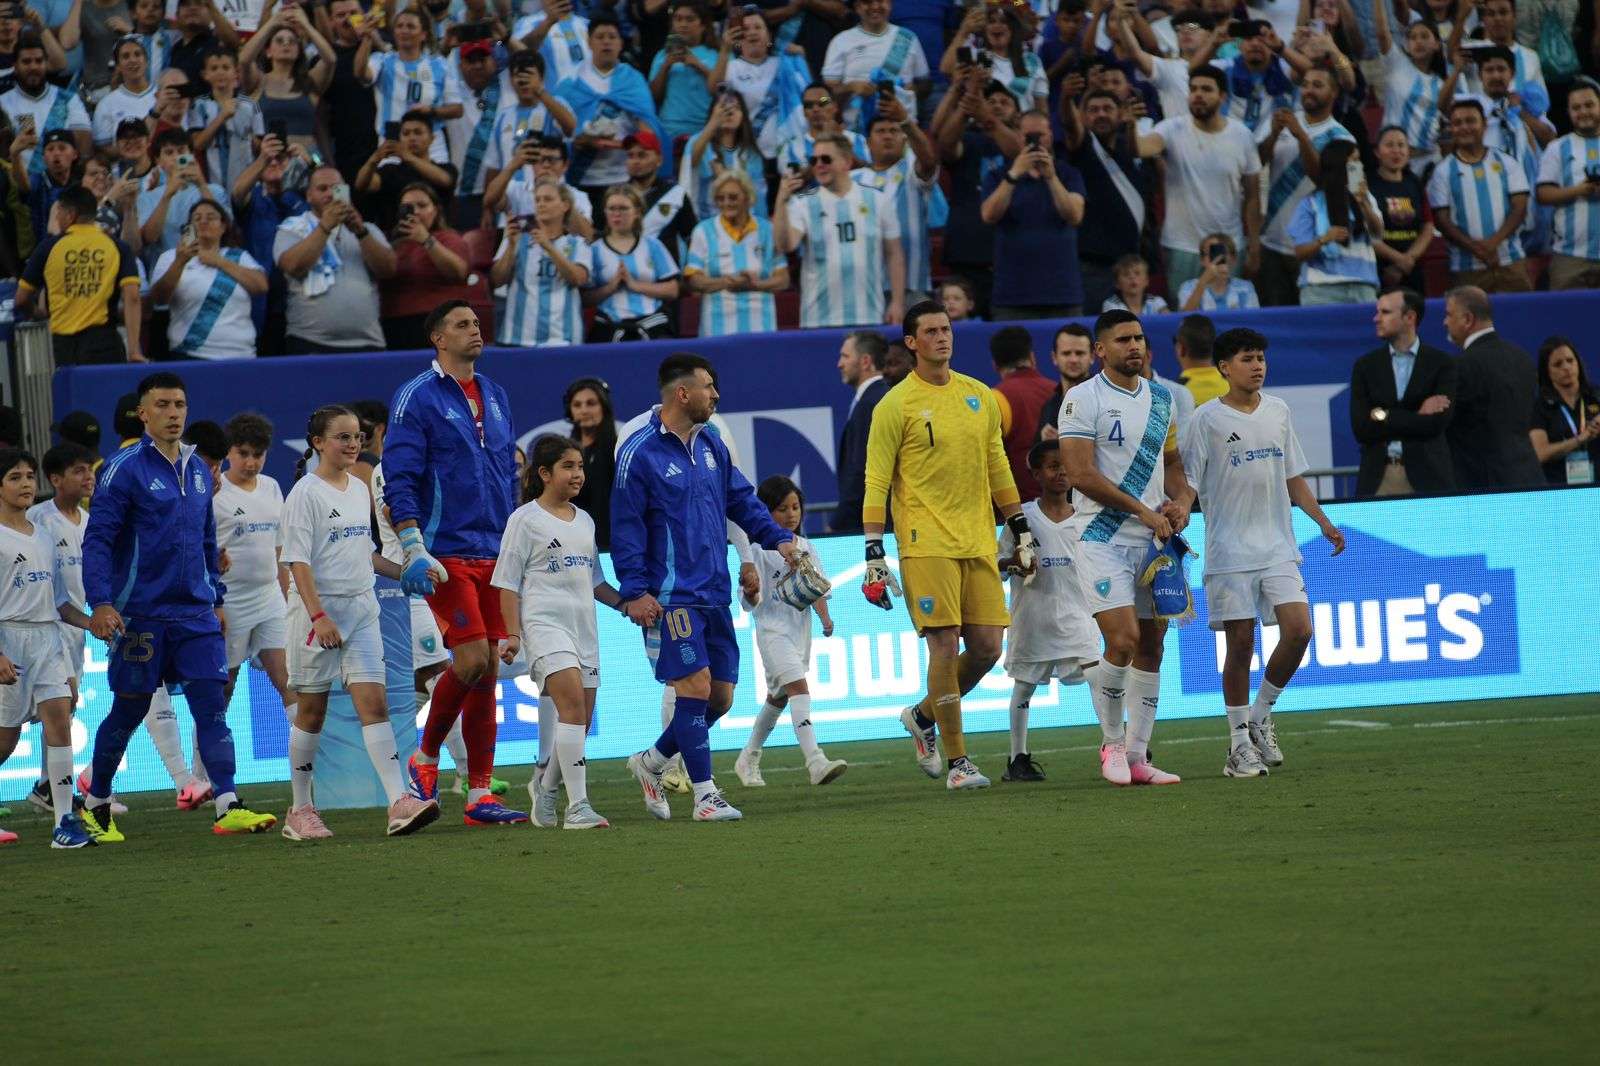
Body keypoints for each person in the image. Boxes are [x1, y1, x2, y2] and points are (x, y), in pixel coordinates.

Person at [79, 372, 277, 843]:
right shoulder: (123, 468)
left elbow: (208, 539)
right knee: (128, 711)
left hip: (195, 613)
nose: (173, 413)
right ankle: (95, 803)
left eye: (180, 405)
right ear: (143, 413)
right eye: (163, 405)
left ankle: (228, 803)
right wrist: (102, 602)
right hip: (141, 615)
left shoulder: (196, 471)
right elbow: (99, 541)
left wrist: (217, 597)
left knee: (212, 708)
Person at [616, 353, 800, 822]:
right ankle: (705, 794)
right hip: (672, 594)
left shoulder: (712, 445)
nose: (716, 395)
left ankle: (652, 761)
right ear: (682, 393)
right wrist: (634, 590)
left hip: (713, 590)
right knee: (693, 686)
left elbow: (741, 500)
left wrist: (777, 539)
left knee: (719, 697)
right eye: (708, 387)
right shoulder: (639, 452)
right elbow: (627, 528)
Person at [864, 301, 1035, 791]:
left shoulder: (978, 396)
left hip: (978, 538)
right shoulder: (894, 405)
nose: (943, 337)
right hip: (923, 540)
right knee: (943, 644)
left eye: (947, 329)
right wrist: (874, 550)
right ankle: (960, 763)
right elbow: (876, 480)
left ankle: (922, 716)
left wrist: (1020, 527)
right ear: (912, 343)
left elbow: (997, 466)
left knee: (985, 648)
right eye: (931, 332)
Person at [1184, 327, 1345, 779]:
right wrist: (1177, 508)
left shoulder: (1278, 410)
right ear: (1223, 367)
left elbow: (1293, 476)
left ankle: (1260, 714)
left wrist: (1323, 521)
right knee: (1240, 644)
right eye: (1247, 358)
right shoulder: (1206, 419)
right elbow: (1190, 480)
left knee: (1299, 630)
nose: (1257, 365)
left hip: (1278, 545)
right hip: (1228, 550)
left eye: (1261, 358)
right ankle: (1238, 746)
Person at [390, 301, 527, 826]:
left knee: (489, 671)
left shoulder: (495, 395)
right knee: (469, 663)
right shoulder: (415, 398)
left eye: (477, 323)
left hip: (494, 550)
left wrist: (515, 542)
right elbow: (400, 477)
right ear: (437, 338)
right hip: (445, 550)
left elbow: (503, 475)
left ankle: (479, 796)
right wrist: (413, 545)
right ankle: (424, 761)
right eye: (462, 325)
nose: (476, 331)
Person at [279, 405, 440, 840]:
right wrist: (318, 615)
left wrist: (403, 572)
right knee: (312, 712)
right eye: (342, 438)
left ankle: (397, 802)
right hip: (318, 615)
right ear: (317, 443)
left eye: (356, 437)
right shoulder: (305, 494)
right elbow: (297, 562)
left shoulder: (358, 488)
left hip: (362, 611)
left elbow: (363, 553)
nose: (352, 445)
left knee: (376, 703)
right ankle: (300, 809)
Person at [1057, 309, 1196, 787]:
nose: (1134, 346)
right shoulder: (1082, 399)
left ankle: (1138, 755)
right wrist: (1143, 510)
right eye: (1123, 340)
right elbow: (1079, 474)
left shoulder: (1162, 399)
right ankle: (1111, 742)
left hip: (1153, 539)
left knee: (1153, 646)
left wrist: (1181, 502)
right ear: (1101, 350)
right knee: (1122, 640)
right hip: (1100, 535)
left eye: (1139, 338)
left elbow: (1175, 465)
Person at [492, 435, 622, 830]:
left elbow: (595, 580)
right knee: (571, 710)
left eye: (580, 466)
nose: (578, 474)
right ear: (544, 473)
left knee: (579, 722)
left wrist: (628, 605)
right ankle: (578, 807)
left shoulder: (585, 520)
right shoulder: (525, 520)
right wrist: (513, 635)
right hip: (545, 627)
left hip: (585, 629)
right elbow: (507, 582)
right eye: (568, 466)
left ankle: (546, 790)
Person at [0, 448, 93, 848]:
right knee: (6, 740)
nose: (25, 484)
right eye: (15, 477)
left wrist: (92, 623)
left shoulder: (42, 534)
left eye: (28, 476)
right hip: (9, 639)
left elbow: (59, 600)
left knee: (59, 721)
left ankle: (63, 822)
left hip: (49, 639)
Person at [732, 475, 848, 788]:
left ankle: (748, 756)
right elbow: (750, 600)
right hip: (772, 632)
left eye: (795, 507)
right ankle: (815, 761)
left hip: (800, 633)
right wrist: (752, 589)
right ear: (765, 513)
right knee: (799, 689)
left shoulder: (806, 547)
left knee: (778, 698)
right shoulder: (756, 550)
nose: (791, 514)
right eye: (782, 508)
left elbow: (818, 589)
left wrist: (825, 617)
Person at [993, 439, 1096, 784]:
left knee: (1099, 676)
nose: (1062, 472)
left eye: (1065, 465)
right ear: (1036, 473)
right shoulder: (1022, 519)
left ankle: (1119, 745)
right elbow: (996, 563)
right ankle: (1016, 758)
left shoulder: (1085, 516)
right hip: (1033, 617)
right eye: (1053, 466)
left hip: (1077, 615)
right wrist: (1012, 563)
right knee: (1024, 688)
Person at [1136, 65, 1263, 300]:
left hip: (1229, 245)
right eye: (1193, 89)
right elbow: (1142, 148)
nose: (1198, 95)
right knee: (1185, 322)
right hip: (1181, 246)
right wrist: (1129, 123)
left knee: (1229, 323)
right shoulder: (1172, 128)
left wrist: (1254, 244)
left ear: (1222, 96)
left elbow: (1253, 195)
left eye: (1206, 89)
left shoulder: (1242, 135)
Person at [774, 131, 906, 328]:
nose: (819, 164)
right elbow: (786, 245)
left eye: (826, 159)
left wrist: (897, 302)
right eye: (814, 159)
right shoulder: (802, 203)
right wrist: (781, 202)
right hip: (818, 318)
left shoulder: (878, 200)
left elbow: (894, 254)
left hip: (868, 314)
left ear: (846, 162)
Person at [212, 412, 293, 721]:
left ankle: (306, 769)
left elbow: (280, 549)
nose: (250, 462)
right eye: (243, 454)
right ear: (228, 452)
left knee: (289, 681)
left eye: (257, 455)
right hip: (230, 601)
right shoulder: (215, 494)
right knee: (224, 687)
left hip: (269, 597)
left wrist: (290, 600)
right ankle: (204, 767)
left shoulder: (272, 487)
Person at [1255, 68, 1355, 307]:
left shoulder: (1342, 138)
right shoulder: (1281, 120)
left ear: (1333, 93)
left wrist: (1301, 136)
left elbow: (1320, 178)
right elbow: (1256, 163)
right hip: (1272, 240)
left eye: (1318, 84)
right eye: (1306, 84)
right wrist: (1273, 135)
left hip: (1314, 246)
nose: (1309, 90)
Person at [273, 164, 397, 354]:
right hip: (310, 341)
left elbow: (388, 270)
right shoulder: (292, 229)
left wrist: (361, 232)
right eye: (322, 189)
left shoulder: (368, 229)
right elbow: (293, 266)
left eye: (337, 188)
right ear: (308, 195)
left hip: (368, 343)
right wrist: (324, 227)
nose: (330, 194)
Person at [16, 185, 143, 365]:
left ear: (70, 214)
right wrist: (133, 350)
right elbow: (132, 297)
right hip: (104, 343)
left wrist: (38, 313)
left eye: (59, 212)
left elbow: (21, 299)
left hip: (63, 347)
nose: (57, 218)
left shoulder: (48, 247)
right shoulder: (118, 247)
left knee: (72, 393)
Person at [1349, 289, 1458, 497]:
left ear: (1410, 317)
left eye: (1385, 312)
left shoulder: (1442, 364)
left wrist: (1383, 415)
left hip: (1430, 478)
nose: (1376, 318)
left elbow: (1436, 424)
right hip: (1379, 479)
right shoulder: (1365, 366)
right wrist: (1417, 415)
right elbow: (1361, 428)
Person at [980, 109, 1087, 319]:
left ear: (1051, 136)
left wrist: (1051, 178)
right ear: (1019, 137)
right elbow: (988, 215)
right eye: (1029, 136)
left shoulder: (1068, 174)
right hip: (1012, 296)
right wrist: (1014, 175)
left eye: (1041, 135)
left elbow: (1074, 215)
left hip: (1062, 294)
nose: (1036, 141)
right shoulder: (998, 175)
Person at [554, 14, 667, 203]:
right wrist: (582, 140)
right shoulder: (570, 82)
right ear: (589, 42)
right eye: (600, 37)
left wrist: (619, 144)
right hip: (579, 177)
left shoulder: (634, 80)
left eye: (612, 37)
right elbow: (557, 134)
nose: (606, 42)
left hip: (623, 178)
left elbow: (647, 133)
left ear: (621, 43)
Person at [1062, 86, 1154, 314]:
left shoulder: (1130, 147)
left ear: (1121, 113)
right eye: (1093, 110)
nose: (1101, 114)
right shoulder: (1084, 147)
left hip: (1130, 265)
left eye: (1107, 109)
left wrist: (1133, 124)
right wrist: (1066, 98)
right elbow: (1070, 126)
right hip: (1094, 267)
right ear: (1083, 116)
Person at [1441, 286, 1544, 489]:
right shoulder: (1522, 358)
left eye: (1448, 314)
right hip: (1529, 477)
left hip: (1484, 487)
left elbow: (1446, 424)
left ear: (1467, 319)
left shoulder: (1462, 366)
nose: (1445, 322)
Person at [1428, 99, 1531, 293]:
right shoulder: (1442, 172)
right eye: (1458, 123)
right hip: (1466, 270)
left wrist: (1493, 243)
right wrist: (1478, 249)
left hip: (1510, 262)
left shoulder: (1506, 162)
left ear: (1484, 124)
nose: (1464, 127)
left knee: (1521, 321)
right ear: (1451, 128)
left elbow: (1520, 208)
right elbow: (1442, 221)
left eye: (1470, 121)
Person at [150, 197, 268, 359]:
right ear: (189, 228)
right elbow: (159, 299)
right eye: (197, 218)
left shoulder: (239, 257)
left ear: (223, 226)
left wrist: (219, 261)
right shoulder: (171, 257)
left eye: (211, 217)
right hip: (190, 354)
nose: (203, 221)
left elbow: (261, 286)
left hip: (241, 355)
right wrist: (180, 262)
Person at [852, 101, 939, 304]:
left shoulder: (911, 170)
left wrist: (906, 121)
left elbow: (928, 160)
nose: (888, 136)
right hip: (866, 289)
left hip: (912, 286)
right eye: (880, 131)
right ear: (868, 142)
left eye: (894, 130)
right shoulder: (853, 180)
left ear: (904, 139)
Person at [682, 169, 786, 337]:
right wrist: (727, 282)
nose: (726, 203)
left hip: (761, 324)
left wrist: (754, 285)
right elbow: (692, 280)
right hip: (717, 327)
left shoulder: (767, 230)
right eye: (720, 198)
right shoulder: (703, 231)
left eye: (733, 197)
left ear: (747, 197)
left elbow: (783, 280)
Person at [1287, 139, 1392, 305]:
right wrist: (1324, 239)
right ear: (1339, 165)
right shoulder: (1310, 203)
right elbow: (1300, 252)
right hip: (1321, 290)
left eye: (1359, 162)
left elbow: (1377, 234)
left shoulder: (1366, 197)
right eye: (1354, 162)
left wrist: (1363, 203)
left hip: (1363, 285)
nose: (1360, 167)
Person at [492, 177, 593, 346]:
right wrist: (510, 247)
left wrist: (549, 247)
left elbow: (577, 279)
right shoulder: (516, 239)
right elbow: (496, 280)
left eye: (548, 199)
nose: (541, 204)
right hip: (518, 337)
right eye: (537, 199)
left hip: (563, 336)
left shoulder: (578, 244)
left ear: (565, 205)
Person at [357, 6, 460, 168]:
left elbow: (457, 109)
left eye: (411, 26)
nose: (404, 30)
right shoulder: (382, 61)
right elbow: (361, 74)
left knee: (435, 191)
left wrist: (431, 111)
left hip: (432, 146)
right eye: (400, 26)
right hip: (392, 144)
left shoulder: (439, 65)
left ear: (424, 34)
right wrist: (366, 39)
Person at [1373, 0, 1464, 176]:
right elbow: (1382, 34)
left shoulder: (1442, 84)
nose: (1418, 42)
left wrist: (1457, 70)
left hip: (1429, 162)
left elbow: (1446, 119)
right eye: (1412, 37)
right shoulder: (1397, 63)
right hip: (1394, 163)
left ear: (1438, 44)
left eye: (1424, 36)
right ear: (1406, 44)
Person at [379, 182, 472, 350]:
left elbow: (459, 273)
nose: (415, 212)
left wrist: (426, 240)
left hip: (438, 323)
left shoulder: (448, 238)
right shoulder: (390, 244)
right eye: (407, 207)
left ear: (435, 210)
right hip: (395, 323)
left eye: (422, 205)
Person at [584, 183, 681, 341]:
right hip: (609, 324)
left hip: (652, 322)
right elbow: (585, 298)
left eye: (623, 208)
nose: (617, 214)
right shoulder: (594, 250)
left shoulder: (652, 245)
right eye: (612, 208)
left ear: (637, 211)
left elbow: (673, 290)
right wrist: (610, 287)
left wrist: (635, 285)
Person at [238, 5, 334, 157]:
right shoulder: (258, 81)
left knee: (319, 167)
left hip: (310, 157)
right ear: (268, 51)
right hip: (268, 162)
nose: (286, 44)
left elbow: (331, 60)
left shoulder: (309, 81)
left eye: (292, 41)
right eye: (279, 40)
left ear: (298, 51)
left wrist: (305, 25)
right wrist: (273, 23)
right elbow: (244, 60)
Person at [821, 0, 930, 133]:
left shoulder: (908, 38)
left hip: (901, 130)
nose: (875, 6)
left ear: (889, 4)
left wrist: (912, 89)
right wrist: (851, 87)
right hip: (856, 132)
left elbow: (925, 86)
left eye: (880, 1)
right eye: (867, 2)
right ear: (858, 7)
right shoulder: (841, 41)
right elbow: (824, 99)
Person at [1535, 78, 1600, 291]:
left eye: (1589, 105)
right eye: (1576, 107)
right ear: (1569, 112)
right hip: (1569, 257)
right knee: (1565, 322)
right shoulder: (1557, 147)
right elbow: (1543, 194)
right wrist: (1580, 190)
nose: (1583, 112)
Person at [137, 126, 232, 262]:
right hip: (168, 268)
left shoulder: (215, 190)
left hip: (209, 264)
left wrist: (201, 185)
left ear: (191, 155)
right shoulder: (146, 198)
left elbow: (226, 228)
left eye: (181, 151)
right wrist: (168, 195)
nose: (176, 157)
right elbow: (149, 238)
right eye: (169, 153)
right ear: (158, 160)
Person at [355, 109, 459, 230]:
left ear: (432, 138)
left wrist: (407, 156)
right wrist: (373, 161)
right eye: (406, 133)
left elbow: (445, 180)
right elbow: (362, 185)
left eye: (418, 132)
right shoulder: (389, 171)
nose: (412, 138)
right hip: (398, 241)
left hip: (438, 240)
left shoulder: (446, 168)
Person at [990, 326, 1059, 502]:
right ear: (1032, 358)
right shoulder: (1059, 392)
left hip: (1019, 508)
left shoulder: (995, 399)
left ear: (995, 366)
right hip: (1063, 507)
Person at [832, 329, 891, 533]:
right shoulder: (878, 398)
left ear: (865, 361)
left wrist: (838, 523)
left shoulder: (871, 404)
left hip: (872, 526)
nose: (840, 364)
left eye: (845, 356)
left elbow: (861, 470)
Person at [1369, 127, 1437, 295]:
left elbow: (1428, 226)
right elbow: (1365, 232)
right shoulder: (1367, 184)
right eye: (1389, 145)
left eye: (1401, 145)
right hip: (1380, 271)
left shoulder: (1414, 183)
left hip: (1412, 270)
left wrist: (1408, 260)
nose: (1396, 151)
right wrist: (1398, 260)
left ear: (1409, 151)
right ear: (1377, 152)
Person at [186, 46, 263, 194]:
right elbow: (198, 144)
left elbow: (260, 144)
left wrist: (254, 142)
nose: (220, 72)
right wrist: (222, 117)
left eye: (226, 67)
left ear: (236, 73)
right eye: (214, 68)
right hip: (212, 181)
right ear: (205, 74)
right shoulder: (199, 105)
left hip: (246, 180)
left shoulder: (251, 105)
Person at [682, 86, 767, 221]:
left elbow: (758, 196)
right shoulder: (701, 141)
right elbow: (691, 161)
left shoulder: (750, 152)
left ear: (743, 116)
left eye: (736, 108)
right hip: (705, 224)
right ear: (713, 113)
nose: (729, 112)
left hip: (745, 225)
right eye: (723, 107)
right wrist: (713, 124)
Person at [1529, 337, 1600, 485]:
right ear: (1547, 371)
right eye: (1558, 364)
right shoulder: (1541, 406)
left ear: (1578, 362)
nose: (1566, 367)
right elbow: (1541, 453)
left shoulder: (1596, 397)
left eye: (1570, 360)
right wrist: (1580, 439)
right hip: (1559, 490)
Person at [648, 1, 719, 142]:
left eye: (690, 19)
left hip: (705, 130)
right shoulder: (662, 55)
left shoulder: (717, 55)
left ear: (703, 25)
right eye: (678, 19)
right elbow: (653, 97)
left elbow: (725, 90)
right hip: (669, 129)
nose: (683, 24)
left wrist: (699, 65)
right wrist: (665, 66)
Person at [564, 378, 617, 549]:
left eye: (591, 403)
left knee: (607, 577)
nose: (584, 410)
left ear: (604, 407)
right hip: (571, 546)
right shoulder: (562, 454)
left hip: (608, 548)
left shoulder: (619, 451)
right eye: (577, 405)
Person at [779, 81, 871, 177]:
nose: (816, 109)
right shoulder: (790, 149)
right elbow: (794, 181)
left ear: (835, 107)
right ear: (804, 112)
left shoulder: (857, 140)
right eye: (809, 105)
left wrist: (838, 141)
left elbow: (867, 172)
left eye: (823, 102)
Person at [92, 35, 157, 148]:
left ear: (146, 61)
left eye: (137, 54)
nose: (133, 60)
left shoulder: (162, 95)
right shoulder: (106, 104)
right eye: (126, 56)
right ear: (118, 66)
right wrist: (133, 149)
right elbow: (104, 150)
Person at [1037, 323, 1095, 442]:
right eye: (1066, 353)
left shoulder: (1105, 399)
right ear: (1054, 357)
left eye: (1080, 353)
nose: (1073, 360)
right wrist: (1042, 446)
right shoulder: (1049, 406)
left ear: (1092, 357)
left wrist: (1066, 442)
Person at [1176, 233, 1260, 312]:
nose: (1217, 259)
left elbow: (1254, 319)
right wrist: (1202, 282)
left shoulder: (1246, 287)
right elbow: (1184, 318)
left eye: (1223, 254)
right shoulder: (1188, 287)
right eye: (1211, 254)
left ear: (1234, 259)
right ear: (1202, 260)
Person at [1101, 253, 1169, 315]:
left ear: (1146, 281)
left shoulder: (1156, 302)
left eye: (1137, 273)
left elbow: (1169, 323)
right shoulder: (1111, 305)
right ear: (1117, 284)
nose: (1132, 277)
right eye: (1126, 274)